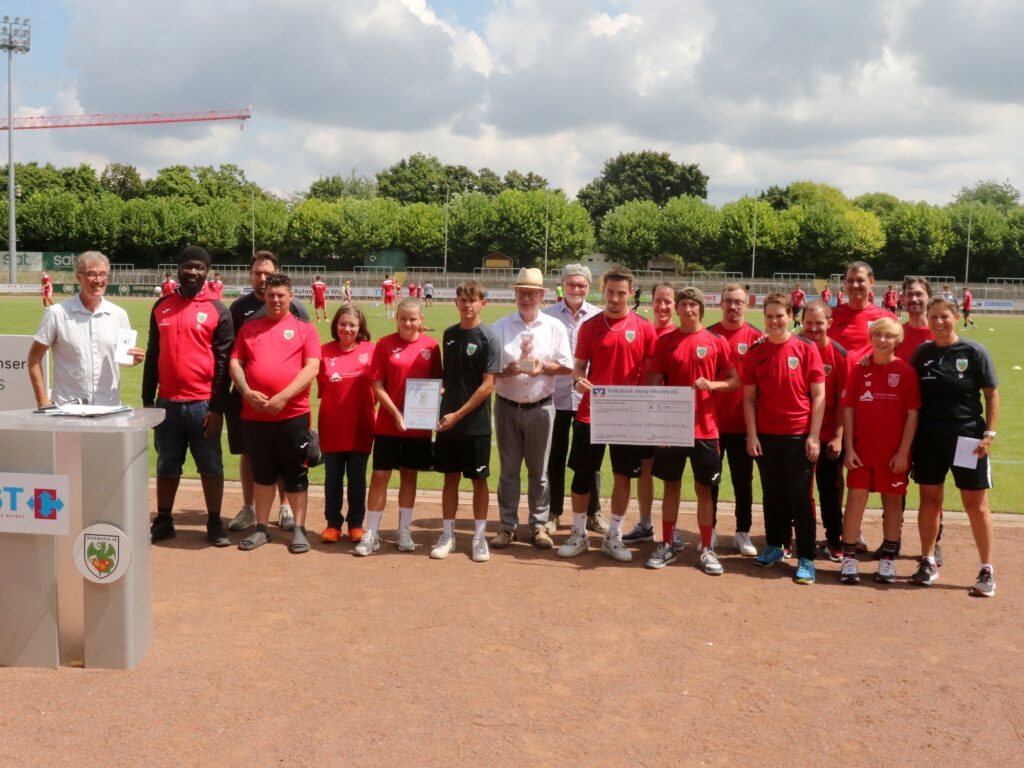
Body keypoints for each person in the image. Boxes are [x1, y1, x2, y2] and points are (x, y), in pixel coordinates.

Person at [558, 264, 656, 563]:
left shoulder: (644, 328)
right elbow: (578, 367)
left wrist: (647, 404)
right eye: (610, 292)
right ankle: (578, 534)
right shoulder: (590, 326)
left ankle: (614, 536)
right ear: (603, 291)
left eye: (621, 293)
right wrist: (578, 380)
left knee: (623, 476)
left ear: (631, 293)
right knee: (583, 475)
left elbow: (653, 374)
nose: (614, 298)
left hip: (628, 416)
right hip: (592, 413)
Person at [142, 245, 233, 547]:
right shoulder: (162, 306)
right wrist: (147, 400)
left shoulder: (218, 310)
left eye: (199, 267)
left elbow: (223, 363)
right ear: (178, 268)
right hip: (167, 403)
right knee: (166, 464)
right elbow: (153, 354)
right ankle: (164, 520)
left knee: (211, 465)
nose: (193, 271)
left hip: (203, 405)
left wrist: (217, 408)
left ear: (207, 272)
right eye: (188, 266)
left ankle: (214, 521)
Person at [909, 296, 999, 596]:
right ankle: (928, 561)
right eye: (933, 316)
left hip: (967, 438)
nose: (938, 322)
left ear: (956, 317)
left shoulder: (974, 351)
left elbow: (992, 394)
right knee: (930, 500)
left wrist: (989, 433)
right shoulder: (922, 353)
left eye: (944, 316)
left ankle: (986, 569)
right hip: (928, 439)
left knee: (975, 503)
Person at [645, 287, 738, 573]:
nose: (688, 309)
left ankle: (707, 547)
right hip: (673, 429)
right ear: (677, 309)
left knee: (704, 489)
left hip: (705, 429)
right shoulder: (665, 342)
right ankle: (667, 544)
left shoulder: (716, 341)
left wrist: (712, 384)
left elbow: (734, 380)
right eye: (683, 304)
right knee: (671, 485)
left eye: (693, 304)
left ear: (701, 308)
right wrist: (659, 419)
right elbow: (653, 382)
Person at [230, 274, 321, 553]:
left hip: (293, 414)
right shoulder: (250, 328)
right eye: (271, 295)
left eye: (281, 295)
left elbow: (312, 367)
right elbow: (235, 362)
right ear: (265, 297)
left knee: (295, 474)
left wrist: (283, 397)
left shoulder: (305, 329)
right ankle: (261, 528)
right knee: (262, 473)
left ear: (291, 296)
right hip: (255, 415)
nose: (276, 300)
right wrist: (246, 392)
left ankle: (299, 530)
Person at [743, 292, 825, 584]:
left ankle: (806, 557)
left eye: (780, 315)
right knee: (772, 494)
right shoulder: (756, 352)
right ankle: (776, 545)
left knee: (800, 498)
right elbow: (749, 398)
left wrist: (814, 435)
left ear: (791, 316)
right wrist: (752, 435)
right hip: (767, 435)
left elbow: (819, 395)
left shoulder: (806, 348)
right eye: (769, 316)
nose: (774, 321)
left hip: (798, 435)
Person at [490, 269, 572, 552]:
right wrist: (507, 369)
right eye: (521, 293)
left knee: (540, 472)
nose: (526, 298)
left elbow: (567, 366)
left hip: (541, 407)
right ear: (515, 294)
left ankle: (539, 525)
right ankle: (507, 526)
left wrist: (544, 367)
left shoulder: (554, 326)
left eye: (531, 293)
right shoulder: (500, 326)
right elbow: (489, 369)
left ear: (541, 295)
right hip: (507, 406)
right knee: (508, 471)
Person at [355, 297, 442, 556]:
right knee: (380, 476)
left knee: (409, 475)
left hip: (418, 425)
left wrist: (434, 398)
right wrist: (395, 413)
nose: (407, 323)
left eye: (413, 319)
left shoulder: (431, 346)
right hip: (388, 424)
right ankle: (371, 533)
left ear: (421, 320)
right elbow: (376, 384)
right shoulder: (384, 344)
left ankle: (404, 530)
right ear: (397, 318)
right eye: (403, 319)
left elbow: (438, 382)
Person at [839, 318, 919, 584]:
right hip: (861, 451)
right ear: (871, 337)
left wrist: (903, 452)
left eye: (888, 336)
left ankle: (888, 559)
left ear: (897, 340)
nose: (882, 340)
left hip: (893, 454)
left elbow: (912, 415)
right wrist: (849, 448)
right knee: (855, 500)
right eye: (877, 335)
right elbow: (848, 410)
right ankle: (849, 557)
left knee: (893, 503)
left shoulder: (906, 372)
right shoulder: (859, 370)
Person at [433, 281, 501, 561]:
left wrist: (457, 414)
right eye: (462, 299)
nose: (467, 304)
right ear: (456, 302)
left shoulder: (489, 338)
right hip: (447, 423)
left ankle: (479, 537)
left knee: (478, 481)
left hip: (475, 424)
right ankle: (447, 534)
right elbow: (447, 377)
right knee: (450, 478)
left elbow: (488, 385)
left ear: (483, 303)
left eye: (472, 300)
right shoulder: (449, 335)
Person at [28, 251, 144, 408]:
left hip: (108, 407)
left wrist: (132, 360)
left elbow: (123, 360)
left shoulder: (119, 314)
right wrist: (42, 401)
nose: (98, 280)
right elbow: (34, 358)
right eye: (92, 274)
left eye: (103, 274)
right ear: (78, 277)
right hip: (68, 408)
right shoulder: (57, 313)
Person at [543, 264, 606, 534]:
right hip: (555, 397)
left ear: (589, 288)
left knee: (590, 461)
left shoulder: (600, 317)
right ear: (562, 285)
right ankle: (553, 512)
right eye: (571, 284)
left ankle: (593, 512)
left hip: (588, 400)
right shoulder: (547, 316)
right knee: (554, 457)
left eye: (581, 285)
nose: (576, 289)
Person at [623, 283, 682, 546]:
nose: (662, 306)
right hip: (641, 411)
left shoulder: (679, 335)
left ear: (676, 305)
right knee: (645, 468)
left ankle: (672, 528)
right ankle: (645, 523)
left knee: (671, 475)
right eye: (658, 300)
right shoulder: (642, 330)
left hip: (669, 414)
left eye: (668, 301)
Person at [708, 283, 763, 556]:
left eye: (738, 301)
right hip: (711, 424)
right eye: (728, 301)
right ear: (721, 304)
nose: (733, 306)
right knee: (710, 481)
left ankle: (743, 532)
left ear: (747, 304)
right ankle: (709, 529)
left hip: (744, 424)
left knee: (743, 481)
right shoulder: (708, 335)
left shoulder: (757, 337)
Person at [317, 304, 375, 544]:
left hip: (361, 424)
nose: (347, 329)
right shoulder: (324, 351)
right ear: (336, 325)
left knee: (357, 477)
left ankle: (356, 524)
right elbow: (322, 389)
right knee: (332, 476)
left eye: (352, 324)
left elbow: (380, 387)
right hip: (332, 425)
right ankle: (332, 524)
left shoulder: (371, 350)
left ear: (360, 327)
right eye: (343, 324)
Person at [799, 300, 847, 561]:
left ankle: (834, 538)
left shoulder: (839, 355)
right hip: (797, 433)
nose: (813, 328)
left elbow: (843, 402)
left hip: (828, 435)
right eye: (809, 322)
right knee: (797, 490)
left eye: (819, 323)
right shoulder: (792, 346)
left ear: (830, 323)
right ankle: (794, 537)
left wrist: (838, 437)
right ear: (801, 322)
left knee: (830, 489)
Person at [828, 261, 896, 361]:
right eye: (850, 281)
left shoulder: (887, 318)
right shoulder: (829, 316)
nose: (855, 285)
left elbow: (896, 355)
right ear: (845, 283)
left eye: (860, 280)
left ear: (871, 282)